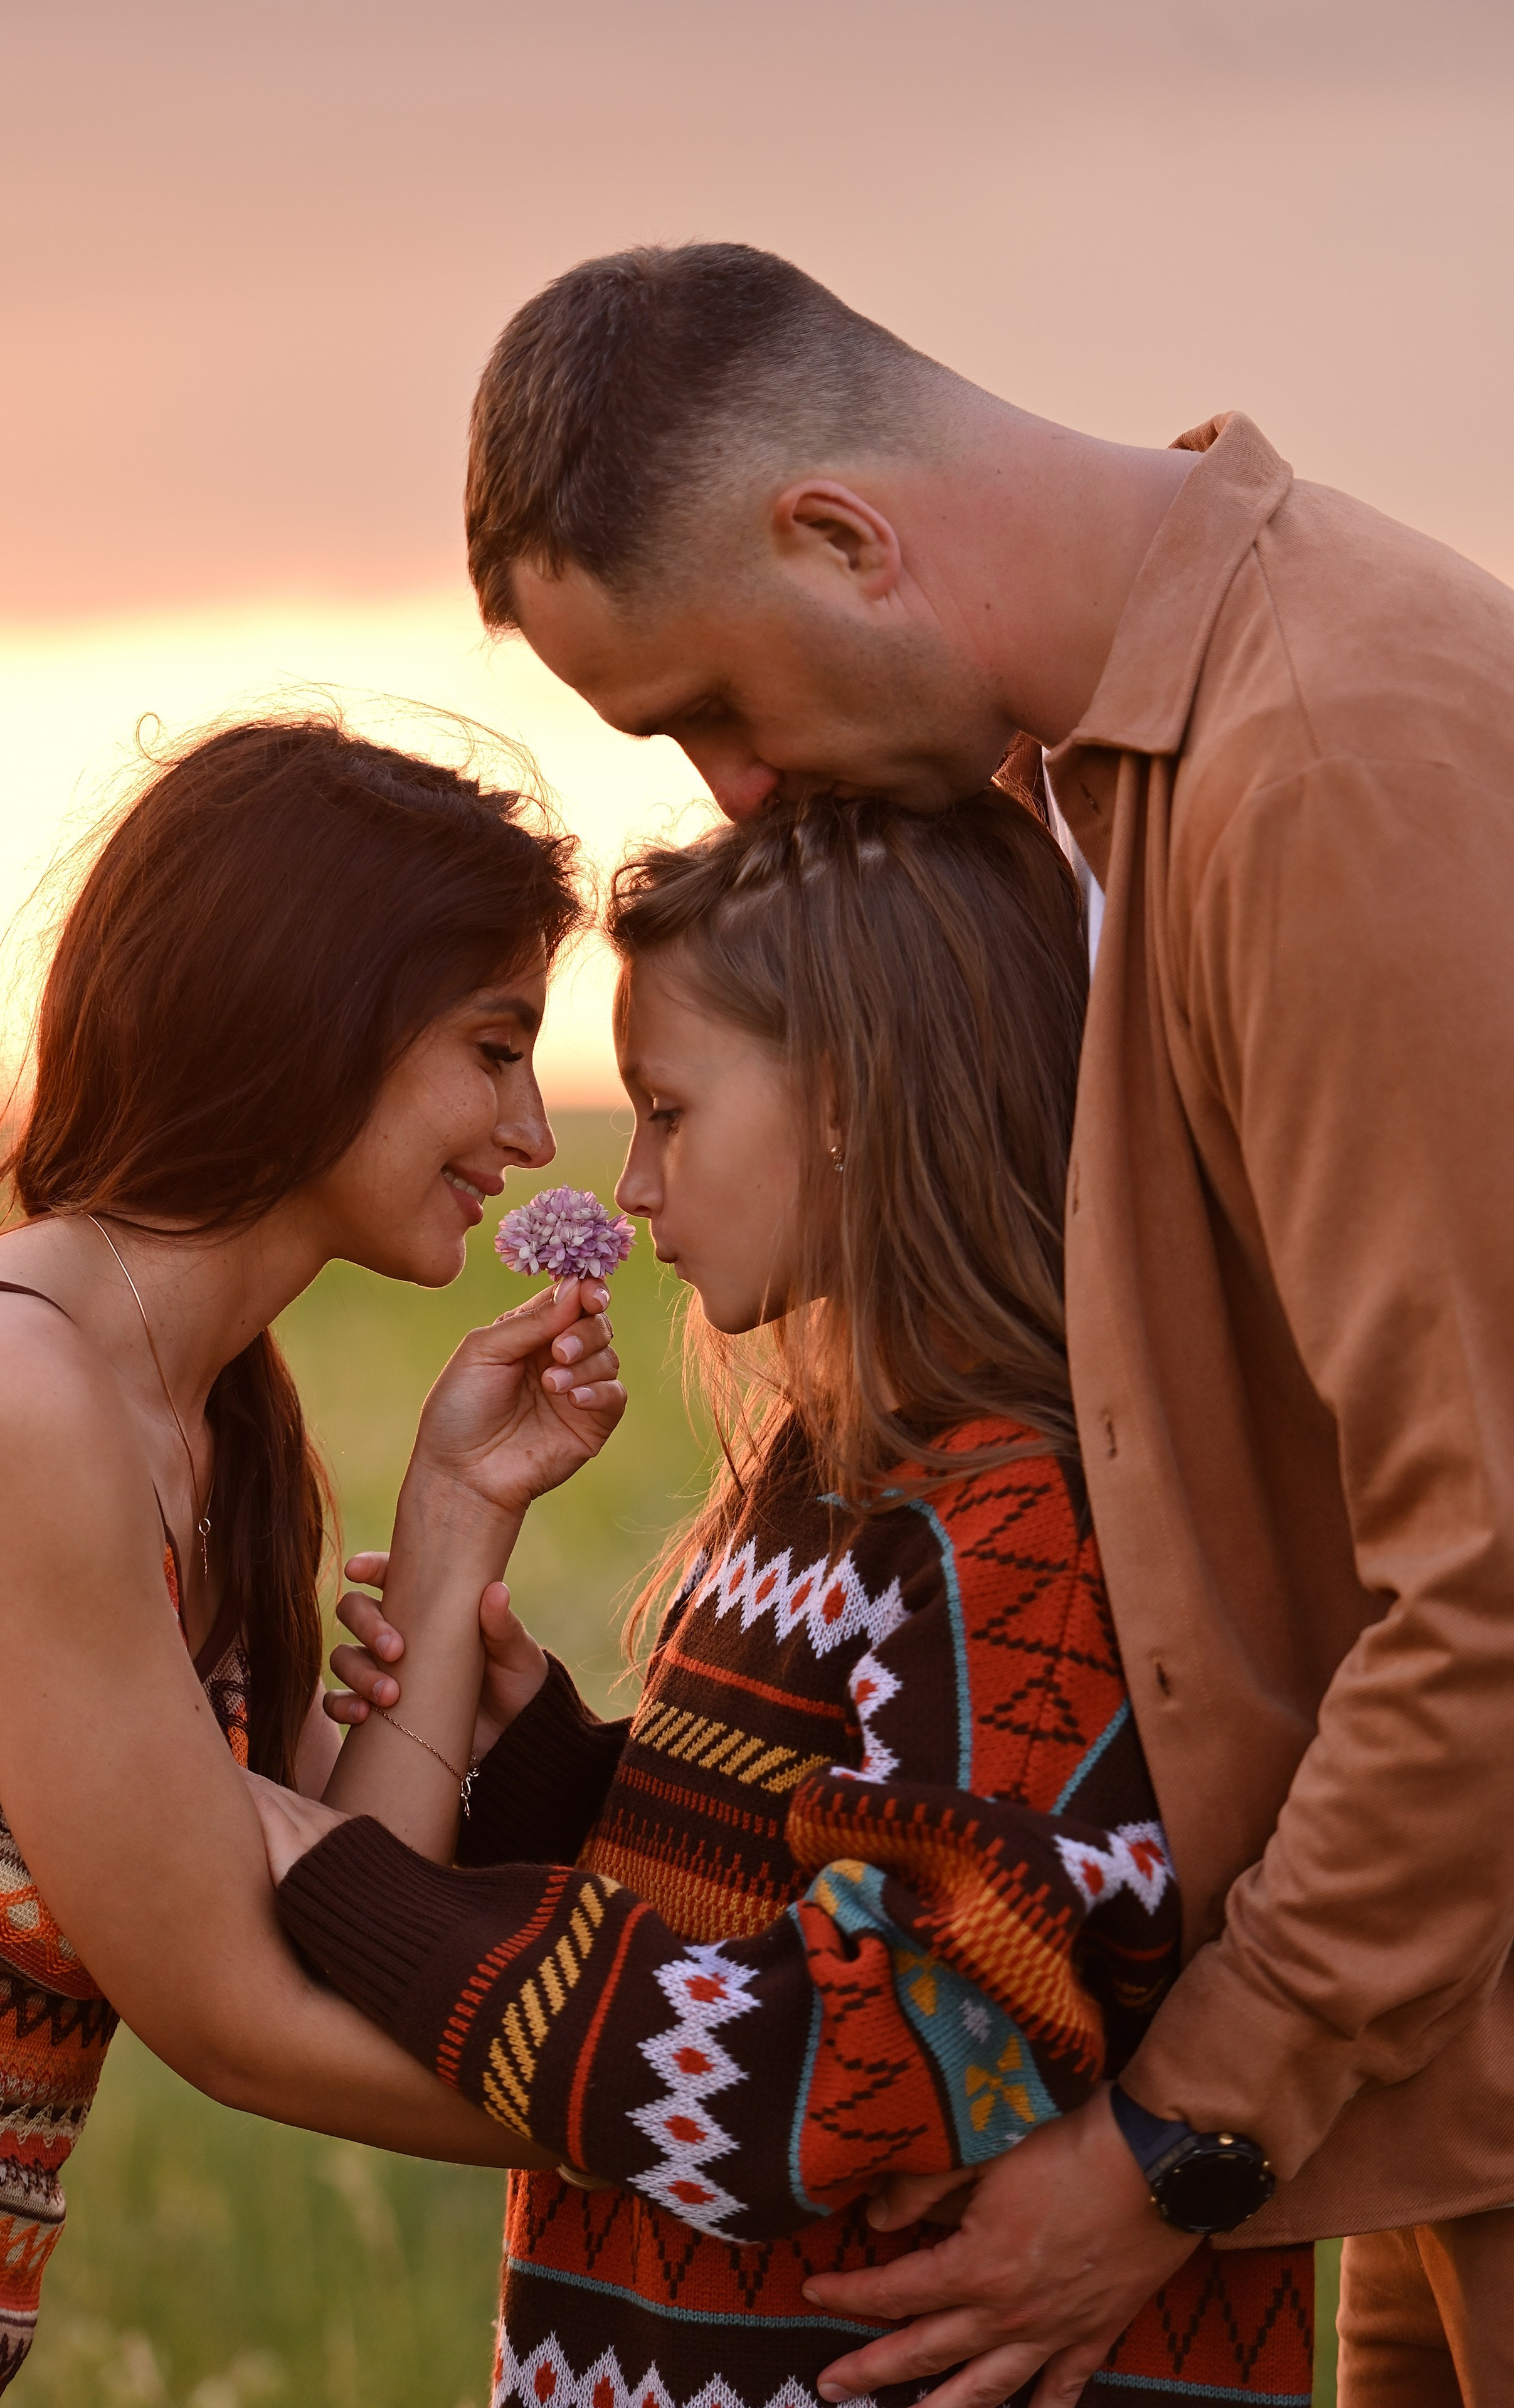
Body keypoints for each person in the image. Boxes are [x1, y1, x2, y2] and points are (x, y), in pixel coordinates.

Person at [450, 240, 1514, 2407]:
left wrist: (1174, 2133)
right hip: (1413, 2057)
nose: (737, 794)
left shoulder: (1322, 760)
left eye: (709, 711)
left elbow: (1490, 1574)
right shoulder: (1119, 792)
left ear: (843, 539)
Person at [249, 795, 1316, 2408]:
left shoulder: (1013, 1522)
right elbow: (789, 1865)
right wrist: (542, 1759)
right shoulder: (828, 1475)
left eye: (669, 1110)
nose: (630, 1183)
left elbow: (863, 2069)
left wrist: (330, 1871)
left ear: (857, 1109)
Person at [0, 714, 628, 2400]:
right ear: (320, 1014)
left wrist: (455, 1526)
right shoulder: (4, 1396)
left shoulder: (215, 1431)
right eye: (493, 1046)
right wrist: (762, 2142)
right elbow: (237, 2017)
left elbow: (349, 1932)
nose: (533, 1134)